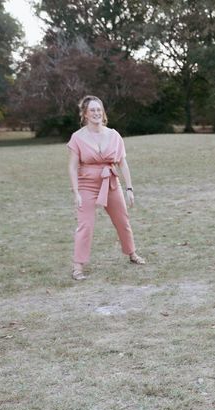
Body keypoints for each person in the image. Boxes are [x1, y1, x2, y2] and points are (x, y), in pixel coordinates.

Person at [67, 95, 145, 281]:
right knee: (85, 225)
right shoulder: (77, 137)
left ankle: (132, 253)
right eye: (92, 110)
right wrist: (76, 192)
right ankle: (78, 266)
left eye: (99, 109)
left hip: (110, 182)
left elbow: (122, 163)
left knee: (122, 220)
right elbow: (72, 166)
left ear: (103, 112)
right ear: (85, 114)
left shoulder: (114, 135)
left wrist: (129, 188)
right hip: (87, 184)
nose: (96, 113)